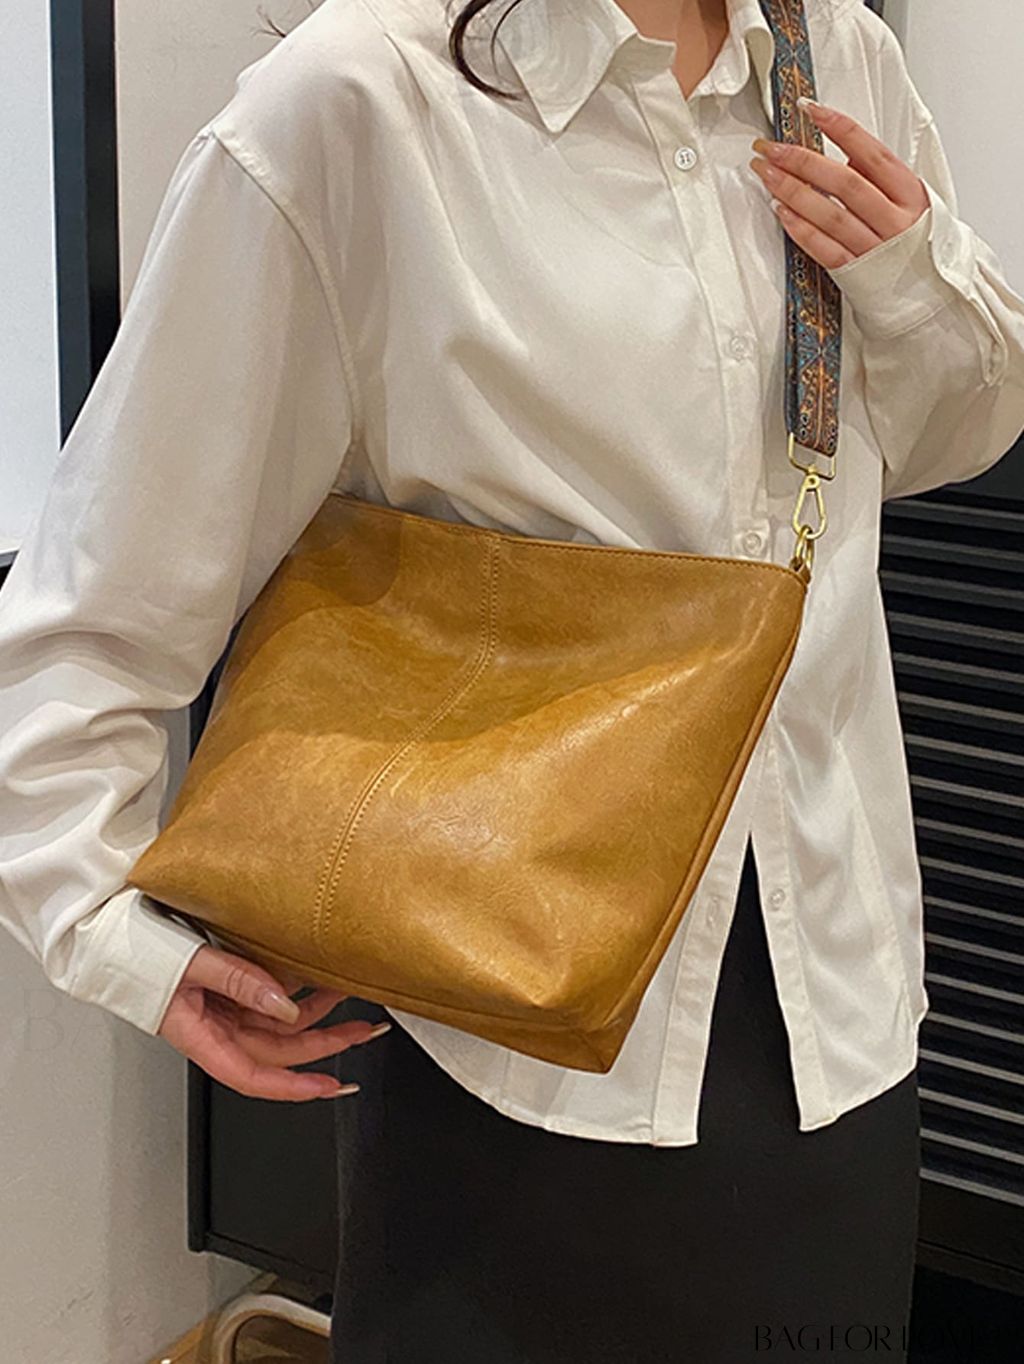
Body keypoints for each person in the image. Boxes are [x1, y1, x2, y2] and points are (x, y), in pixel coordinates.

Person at [1, 0, 1022, 1359]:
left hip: (832, 994)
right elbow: (99, 603)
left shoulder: (838, 57)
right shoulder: (358, 102)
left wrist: (908, 276)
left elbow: (945, 437)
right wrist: (107, 925)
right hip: (492, 1037)